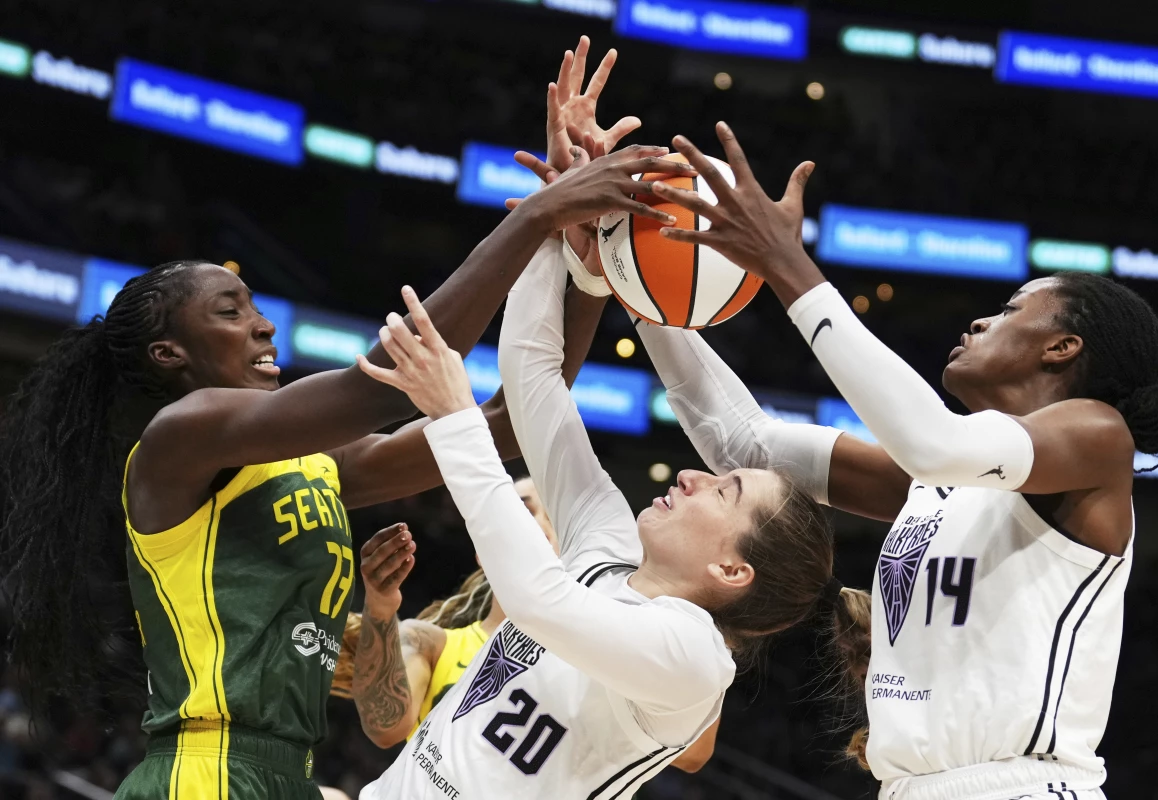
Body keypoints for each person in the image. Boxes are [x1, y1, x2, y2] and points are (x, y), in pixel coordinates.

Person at [0, 98, 692, 798]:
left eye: (255, 304)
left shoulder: (316, 468)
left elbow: (511, 423)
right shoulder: (179, 436)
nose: (263, 325)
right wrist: (537, 212)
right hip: (201, 773)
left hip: (289, 775)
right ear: (168, 352)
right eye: (230, 311)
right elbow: (384, 389)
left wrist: (583, 262)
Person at [622, 123, 1158, 800]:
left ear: (1062, 348)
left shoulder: (1098, 438)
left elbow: (930, 440)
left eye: (1011, 310)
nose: (980, 323)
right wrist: (631, 277)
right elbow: (743, 442)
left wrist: (788, 263)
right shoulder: (939, 483)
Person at [350, 200, 867, 797]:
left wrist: (455, 415)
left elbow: (538, 600)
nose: (691, 478)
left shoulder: (695, 660)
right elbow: (533, 376)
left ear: (731, 569)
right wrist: (562, 233)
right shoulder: (608, 546)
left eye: (725, 491)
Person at [334, 474, 720, 772]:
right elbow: (386, 727)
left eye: (557, 516)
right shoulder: (429, 642)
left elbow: (693, 754)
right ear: (487, 547)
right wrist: (381, 608)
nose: (538, 523)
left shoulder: (612, 670)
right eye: (523, 508)